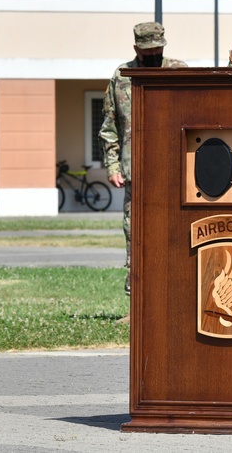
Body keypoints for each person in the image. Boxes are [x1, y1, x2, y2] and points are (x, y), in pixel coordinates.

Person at [99, 22, 187, 316]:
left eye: (158, 50)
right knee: (135, 238)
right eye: (147, 51)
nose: (153, 55)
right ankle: (136, 308)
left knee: (176, 239)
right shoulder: (122, 77)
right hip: (135, 173)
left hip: (176, 173)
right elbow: (109, 127)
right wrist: (112, 164)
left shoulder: (178, 71)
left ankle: (175, 303)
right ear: (136, 48)